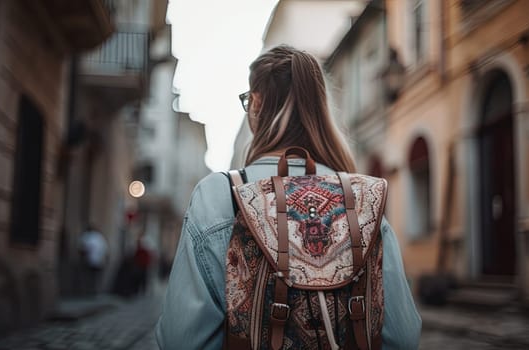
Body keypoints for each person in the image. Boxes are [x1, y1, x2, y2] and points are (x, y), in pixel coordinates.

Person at [156, 45, 421, 349]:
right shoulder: (360, 199)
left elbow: (181, 338)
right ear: (320, 107)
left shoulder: (220, 195)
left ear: (255, 103)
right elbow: (402, 336)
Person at [77, 225, 108, 296]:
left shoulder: (86, 236)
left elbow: (81, 249)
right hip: (99, 262)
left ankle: (88, 292)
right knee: (95, 278)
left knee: (88, 277)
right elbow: (105, 251)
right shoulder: (100, 237)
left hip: (89, 261)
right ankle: (93, 292)